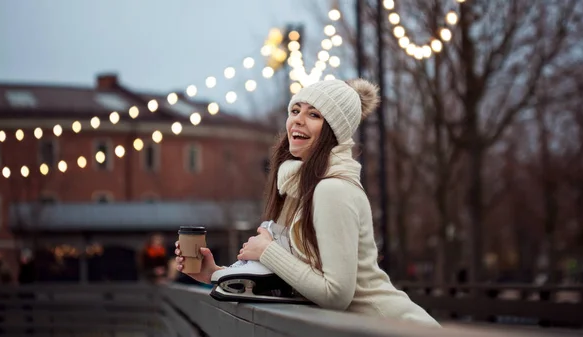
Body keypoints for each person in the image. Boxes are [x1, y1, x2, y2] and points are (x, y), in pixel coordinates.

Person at [175, 79, 440, 327]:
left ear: (333, 130)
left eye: (314, 115)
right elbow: (300, 279)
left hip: (394, 326)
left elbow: (336, 295)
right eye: (295, 110)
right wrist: (214, 274)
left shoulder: (332, 189)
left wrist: (267, 250)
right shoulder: (302, 187)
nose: (297, 121)